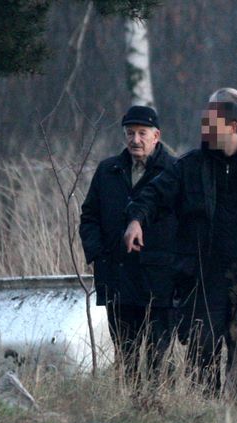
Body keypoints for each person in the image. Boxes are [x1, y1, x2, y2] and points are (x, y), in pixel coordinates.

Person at [124, 96, 237, 391]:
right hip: (202, 274)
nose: (205, 131)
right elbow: (153, 195)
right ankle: (204, 409)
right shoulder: (191, 166)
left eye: (211, 126)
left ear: (232, 126)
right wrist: (136, 220)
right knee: (200, 346)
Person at [79, 105, 177, 385]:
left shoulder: (173, 171)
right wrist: (99, 253)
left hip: (159, 280)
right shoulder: (108, 170)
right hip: (117, 277)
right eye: (130, 133)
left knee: (158, 352)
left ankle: (158, 403)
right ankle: (134, 403)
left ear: (156, 136)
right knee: (127, 352)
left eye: (142, 133)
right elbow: (89, 216)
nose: (135, 140)